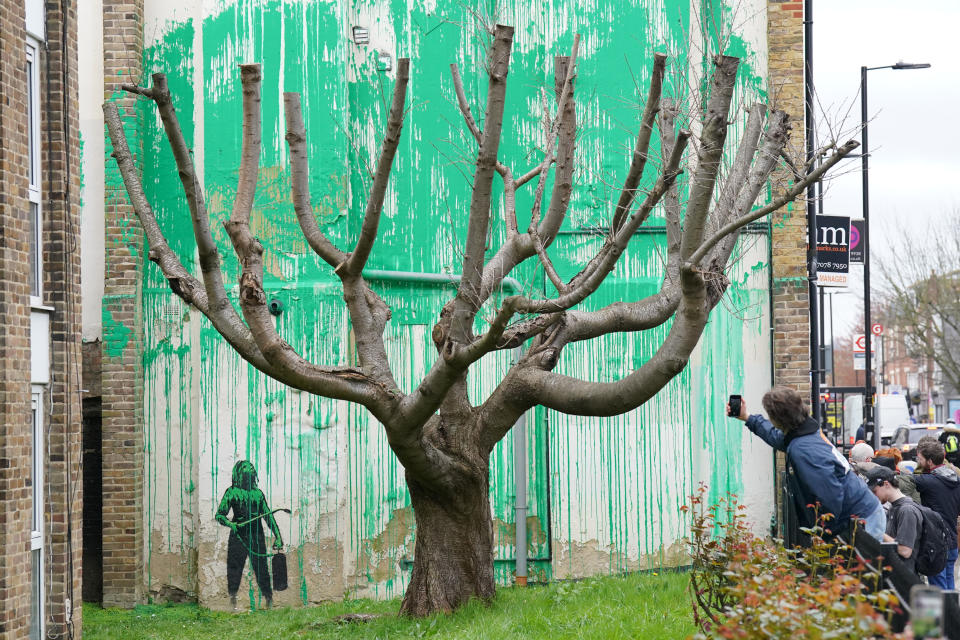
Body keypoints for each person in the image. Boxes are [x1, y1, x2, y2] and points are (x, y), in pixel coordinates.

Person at [730, 387, 885, 541]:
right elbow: (777, 437)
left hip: (859, 519)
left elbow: (829, 494)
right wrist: (747, 417)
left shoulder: (803, 450)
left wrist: (824, 534)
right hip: (860, 512)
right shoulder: (805, 431)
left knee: (855, 565)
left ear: (778, 419)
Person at [216, 460, 284, 609]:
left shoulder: (258, 494)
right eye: (246, 476)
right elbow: (219, 515)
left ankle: (269, 599)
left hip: (256, 536)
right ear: (240, 475)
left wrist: (278, 536)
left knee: (262, 570)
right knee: (234, 569)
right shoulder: (232, 492)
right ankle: (232, 601)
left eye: (251, 476)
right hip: (238, 536)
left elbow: (268, 516)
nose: (249, 478)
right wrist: (231, 524)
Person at [899, 440, 960, 590]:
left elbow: (903, 481)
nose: (917, 462)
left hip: (936, 545)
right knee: (949, 586)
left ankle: (945, 614)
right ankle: (952, 613)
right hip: (952, 543)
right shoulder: (956, 480)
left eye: (920, 459)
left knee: (938, 591)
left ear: (930, 461)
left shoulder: (928, 482)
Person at [863, 465, 923, 575]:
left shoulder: (907, 510)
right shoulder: (893, 507)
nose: (872, 496)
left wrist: (878, 531)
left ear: (886, 484)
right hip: (896, 574)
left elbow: (905, 550)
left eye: (874, 491)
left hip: (904, 578)